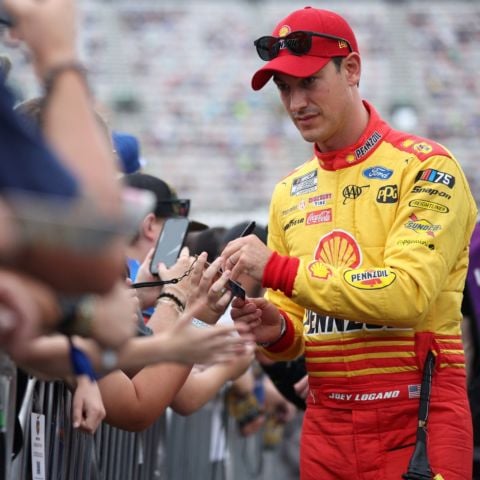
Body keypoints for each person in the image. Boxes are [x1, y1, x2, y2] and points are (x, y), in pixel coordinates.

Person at [221, 6, 477, 480]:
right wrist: (271, 326)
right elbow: (295, 330)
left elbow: (407, 293)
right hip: (325, 427)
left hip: (418, 421)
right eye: (285, 88)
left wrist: (276, 269)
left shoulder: (427, 168)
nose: (296, 102)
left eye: (309, 82)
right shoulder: (288, 192)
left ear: (352, 69)